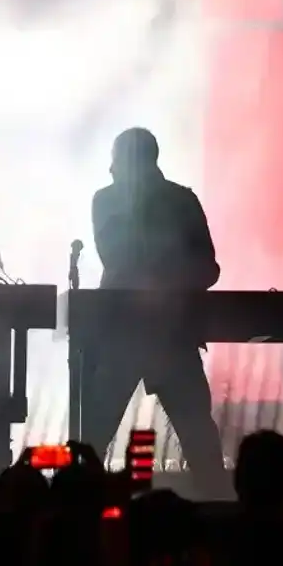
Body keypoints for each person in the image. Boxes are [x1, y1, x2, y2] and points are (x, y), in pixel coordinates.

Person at [85, 127, 227, 497]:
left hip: (126, 337)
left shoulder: (107, 201)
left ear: (130, 163)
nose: (111, 169)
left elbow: (118, 260)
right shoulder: (180, 201)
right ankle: (220, 510)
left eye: (116, 160)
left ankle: (74, 511)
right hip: (168, 337)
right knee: (199, 440)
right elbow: (207, 268)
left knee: (93, 437)